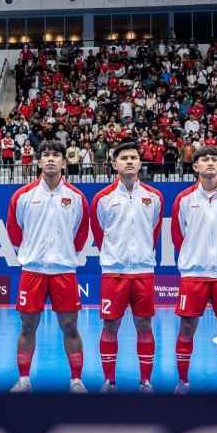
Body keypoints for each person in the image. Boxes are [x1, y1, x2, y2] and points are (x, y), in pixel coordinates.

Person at [6, 139, 89, 392]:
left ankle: (76, 380)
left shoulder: (76, 197)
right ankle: (23, 380)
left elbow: (81, 234)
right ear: (39, 162)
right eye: (46, 155)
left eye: (56, 155)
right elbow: (14, 232)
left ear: (64, 162)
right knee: (28, 326)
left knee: (70, 326)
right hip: (33, 271)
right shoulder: (23, 196)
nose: (50, 158)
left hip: (64, 271)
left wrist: (63, 255)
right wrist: (32, 254)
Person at [170, 148, 217, 394]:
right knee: (187, 328)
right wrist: (196, 257)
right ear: (195, 167)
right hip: (194, 275)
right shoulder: (183, 199)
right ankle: (183, 383)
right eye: (205, 159)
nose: (210, 162)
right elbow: (177, 236)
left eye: (215, 159)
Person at [90, 140, 163, 392]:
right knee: (110, 326)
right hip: (114, 273)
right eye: (124, 158)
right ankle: (109, 382)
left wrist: (140, 256)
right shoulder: (103, 198)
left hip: (143, 273)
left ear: (140, 163)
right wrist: (115, 256)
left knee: (145, 326)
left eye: (133, 157)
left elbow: (154, 232)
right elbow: (100, 234)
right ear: (114, 164)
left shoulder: (154, 197)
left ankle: (146, 381)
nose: (129, 161)